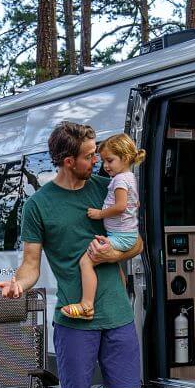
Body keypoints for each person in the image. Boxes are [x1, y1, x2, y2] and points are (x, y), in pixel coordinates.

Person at [0, 121, 149, 388]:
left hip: (116, 314)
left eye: (98, 153)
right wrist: (17, 284)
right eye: (89, 155)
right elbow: (29, 266)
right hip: (74, 319)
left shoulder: (107, 188)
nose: (97, 160)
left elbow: (135, 240)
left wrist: (114, 256)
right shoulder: (39, 205)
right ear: (67, 161)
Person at [60, 133, 145, 321]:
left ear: (124, 158)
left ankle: (87, 305)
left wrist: (100, 214)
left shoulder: (120, 180)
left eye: (109, 160)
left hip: (121, 235)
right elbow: (132, 204)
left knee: (86, 261)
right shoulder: (129, 177)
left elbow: (121, 206)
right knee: (115, 266)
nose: (104, 166)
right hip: (125, 234)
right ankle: (121, 300)